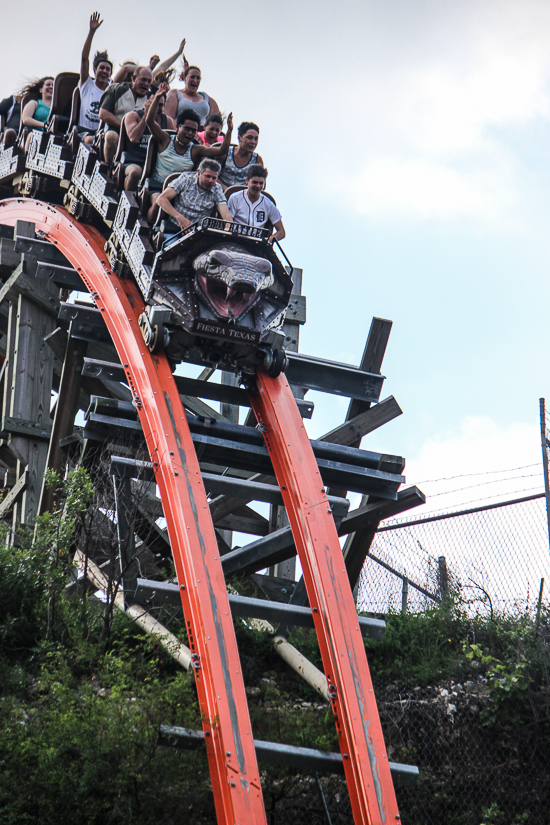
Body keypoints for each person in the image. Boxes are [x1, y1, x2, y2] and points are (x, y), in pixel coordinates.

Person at [145, 84, 232, 218]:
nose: (190, 133)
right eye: (186, 129)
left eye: (193, 131)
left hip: (181, 190)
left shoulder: (196, 149)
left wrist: (230, 130)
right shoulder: (165, 139)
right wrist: (157, 98)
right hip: (158, 185)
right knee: (159, 202)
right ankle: (150, 227)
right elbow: (150, 121)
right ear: (178, 126)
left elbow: (222, 150)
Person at [155, 158, 232, 233]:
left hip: (198, 233)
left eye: (214, 178)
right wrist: (180, 218)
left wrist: (228, 228)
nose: (210, 181)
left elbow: (226, 214)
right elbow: (161, 199)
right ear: (199, 174)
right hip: (175, 227)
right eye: (207, 176)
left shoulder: (217, 188)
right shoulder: (186, 179)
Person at [120, 90, 175, 191]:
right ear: (146, 103)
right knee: (135, 172)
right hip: (133, 161)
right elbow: (134, 138)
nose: (157, 109)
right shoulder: (133, 116)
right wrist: (146, 116)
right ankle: (128, 201)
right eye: (155, 104)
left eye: (161, 105)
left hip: (155, 165)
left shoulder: (167, 122)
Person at [99, 66, 153, 163]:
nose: (146, 84)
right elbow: (103, 113)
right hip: (116, 129)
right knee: (111, 137)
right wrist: (123, 128)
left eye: (149, 81)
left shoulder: (150, 97)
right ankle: (109, 167)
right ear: (133, 78)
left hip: (139, 134)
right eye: (143, 80)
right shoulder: (116, 89)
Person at [78, 12, 113, 143]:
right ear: (94, 70)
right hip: (84, 131)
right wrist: (91, 32)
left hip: (103, 133)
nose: (104, 71)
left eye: (108, 69)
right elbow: (84, 58)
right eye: (101, 68)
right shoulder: (87, 84)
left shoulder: (111, 90)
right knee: (90, 140)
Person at [227, 165, 285, 244]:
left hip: (257, 245)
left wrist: (268, 240)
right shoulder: (235, 198)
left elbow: (281, 232)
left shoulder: (268, 204)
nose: (258, 186)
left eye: (261, 183)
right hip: (235, 241)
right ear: (247, 180)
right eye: (255, 182)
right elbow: (227, 223)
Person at [218, 121, 263, 190]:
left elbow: (261, 183)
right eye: (249, 138)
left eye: (256, 139)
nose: (253, 142)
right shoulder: (227, 152)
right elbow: (213, 174)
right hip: (221, 191)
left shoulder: (257, 160)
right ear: (240, 138)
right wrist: (226, 190)